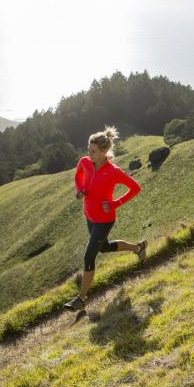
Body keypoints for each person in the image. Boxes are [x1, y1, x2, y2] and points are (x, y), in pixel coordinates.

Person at [64, 126, 146, 311]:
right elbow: (78, 176)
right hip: (89, 216)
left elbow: (135, 188)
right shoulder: (84, 162)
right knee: (105, 248)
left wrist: (116, 203)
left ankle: (81, 298)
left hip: (105, 219)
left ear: (104, 151)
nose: (89, 154)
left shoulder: (113, 171)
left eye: (93, 151)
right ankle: (138, 247)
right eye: (89, 150)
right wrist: (79, 190)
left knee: (89, 256)